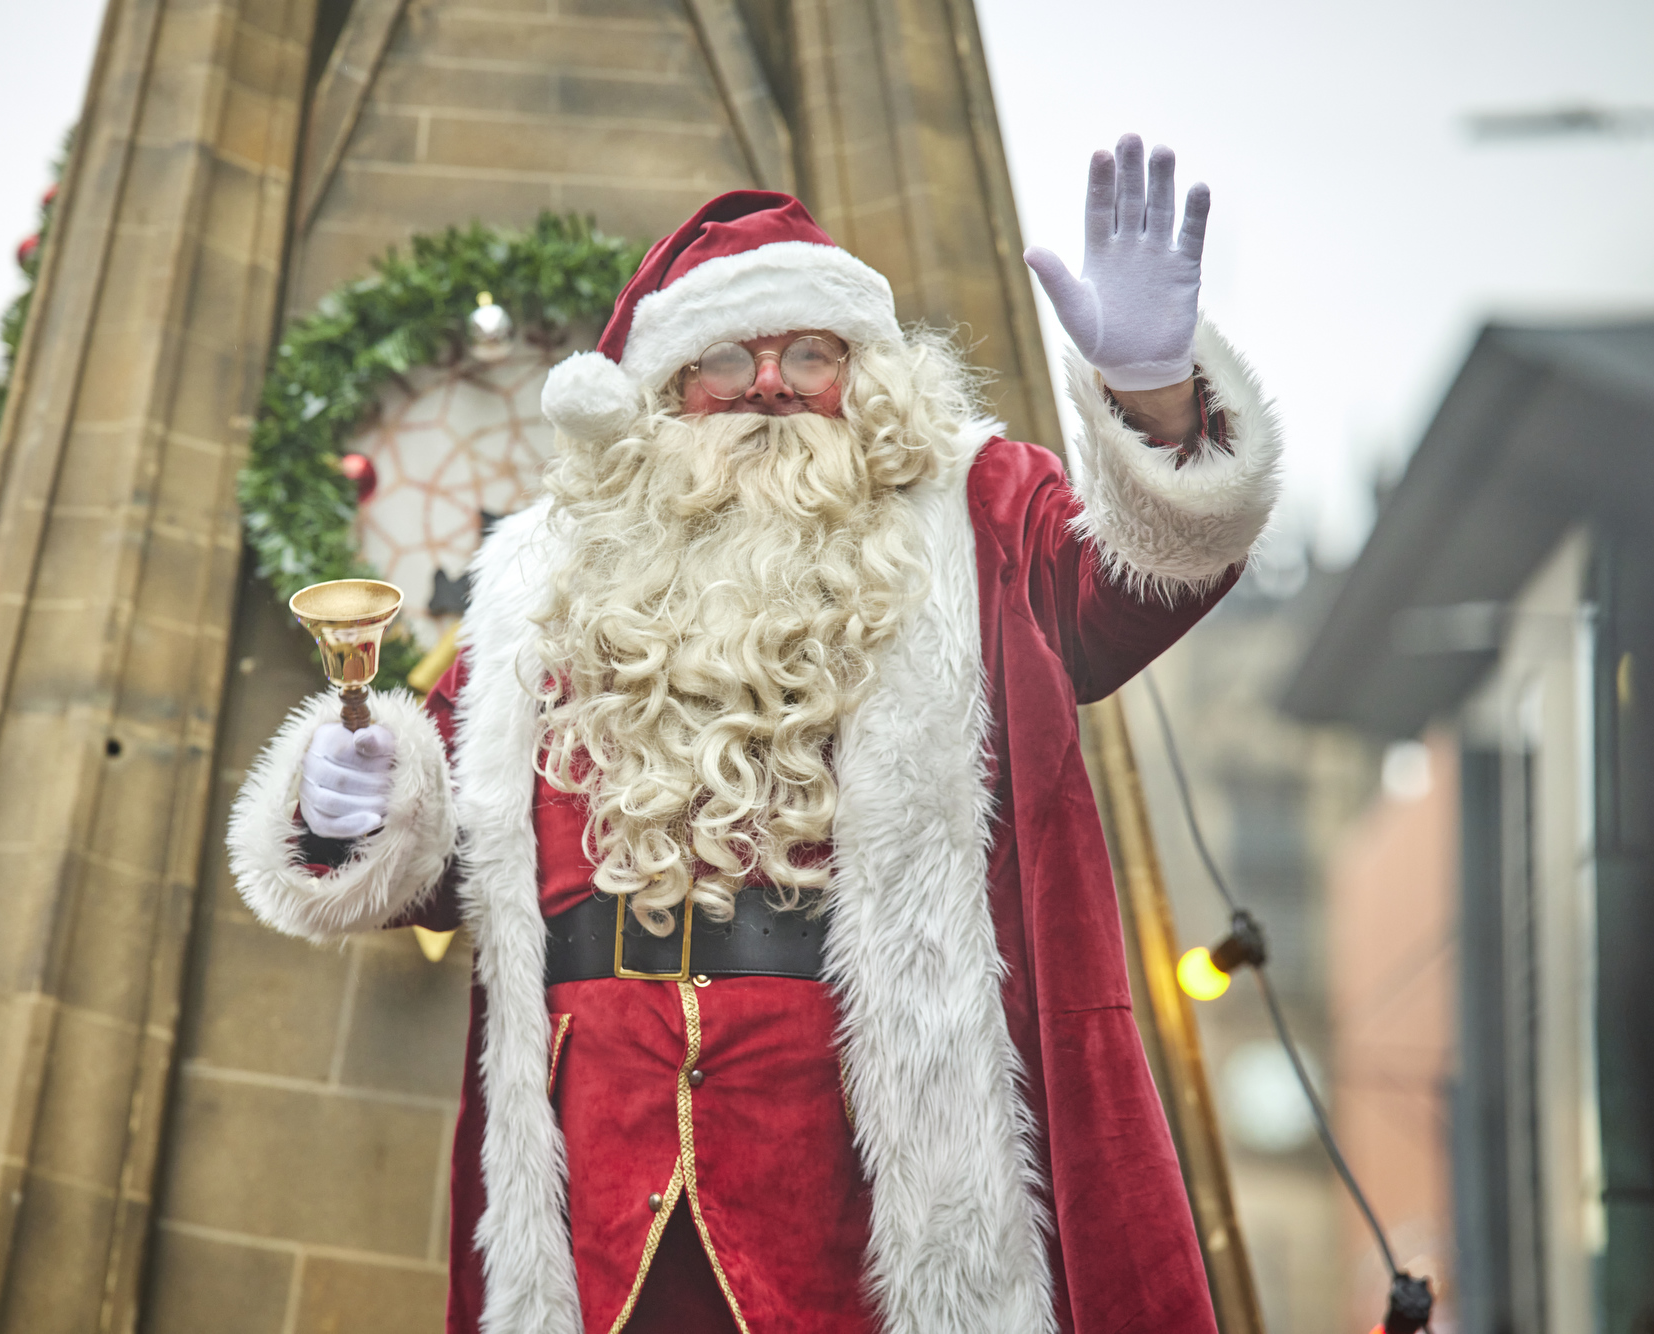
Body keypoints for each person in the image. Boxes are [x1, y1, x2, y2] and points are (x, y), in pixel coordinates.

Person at [228, 134, 1280, 1334]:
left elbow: (1131, 581)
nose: (770, 384)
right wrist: (349, 804)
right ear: (665, 393)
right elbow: (454, 855)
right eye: (726, 357)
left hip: (852, 1171)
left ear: (864, 376)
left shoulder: (969, 518)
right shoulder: (552, 575)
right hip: (596, 1174)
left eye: (809, 354)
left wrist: (1150, 398)